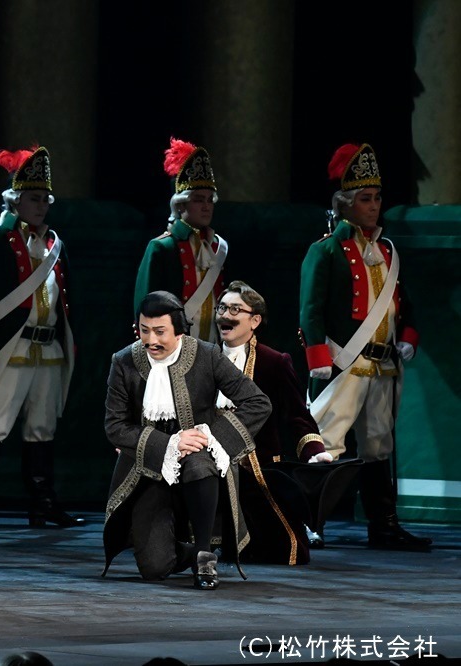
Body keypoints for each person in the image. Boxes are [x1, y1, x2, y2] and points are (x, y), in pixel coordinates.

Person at [300, 142, 431, 551]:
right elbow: (311, 309)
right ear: (345, 203)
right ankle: (307, 524)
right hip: (343, 364)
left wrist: (407, 338)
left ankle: (384, 526)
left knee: (378, 448)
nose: (374, 206)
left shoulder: (389, 252)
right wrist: (319, 359)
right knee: (327, 446)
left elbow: (403, 305)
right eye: (365, 198)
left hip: (383, 367)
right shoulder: (326, 251)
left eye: (376, 198)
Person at [103, 291, 271, 589]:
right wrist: (167, 444)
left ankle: (204, 555)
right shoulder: (124, 361)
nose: (150, 340)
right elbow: (115, 426)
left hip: (199, 460)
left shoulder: (207, 354)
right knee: (154, 568)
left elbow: (258, 403)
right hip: (149, 468)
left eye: (159, 332)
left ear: (178, 330)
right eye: (144, 330)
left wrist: (209, 436)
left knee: (198, 463)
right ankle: (187, 552)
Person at [0, 145, 81, 528]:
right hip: (9, 347)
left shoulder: (52, 245)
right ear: (15, 200)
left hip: (48, 349)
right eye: (34, 198)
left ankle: (42, 504)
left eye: (45, 198)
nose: (42, 205)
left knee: (42, 428)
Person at [216, 280, 338, 563]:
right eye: (222, 308)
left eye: (236, 309)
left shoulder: (273, 362)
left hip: (254, 468)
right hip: (207, 466)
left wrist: (314, 451)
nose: (225, 315)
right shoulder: (201, 357)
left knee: (284, 550)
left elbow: (297, 415)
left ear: (254, 320)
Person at [134, 138, 227, 343]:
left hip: (213, 349)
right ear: (180, 205)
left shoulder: (218, 247)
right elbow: (147, 309)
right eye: (198, 199)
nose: (206, 206)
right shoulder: (162, 247)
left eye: (209, 199)